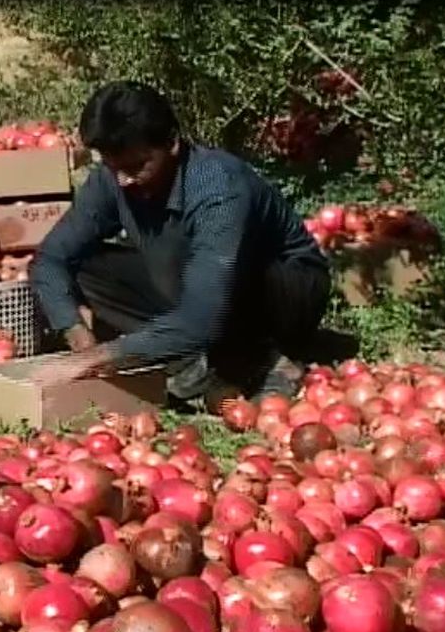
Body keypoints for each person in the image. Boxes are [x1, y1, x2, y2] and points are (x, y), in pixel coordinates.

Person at [29, 80, 332, 406]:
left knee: (204, 290)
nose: (122, 181)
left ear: (172, 143)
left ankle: (264, 358)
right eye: (113, 167)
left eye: (136, 167)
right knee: (87, 267)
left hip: (281, 292)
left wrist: (92, 361)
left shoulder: (217, 186)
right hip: (195, 284)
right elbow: (50, 259)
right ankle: (197, 357)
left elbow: (203, 314)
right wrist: (77, 334)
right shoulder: (114, 180)